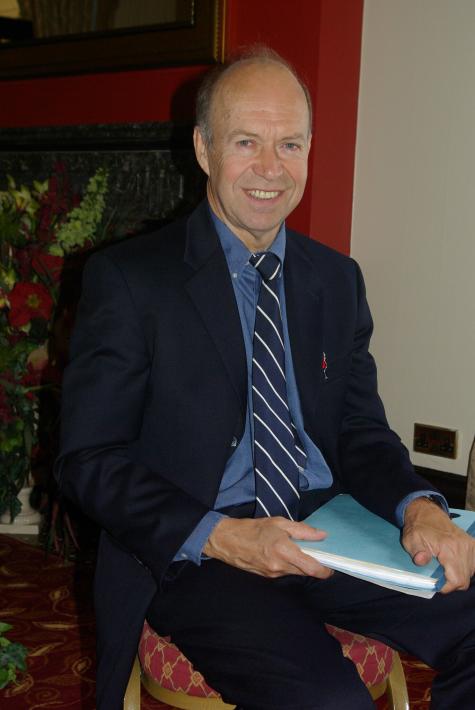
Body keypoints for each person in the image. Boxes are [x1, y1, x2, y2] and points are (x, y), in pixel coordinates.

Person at [56, 47, 475, 710]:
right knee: (327, 699)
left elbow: (360, 431)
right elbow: (88, 459)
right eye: (246, 142)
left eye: (290, 144)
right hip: (200, 553)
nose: (270, 169)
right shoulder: (132, 280)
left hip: (331, 534)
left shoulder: (335, 280)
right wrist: (222, 536)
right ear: (202, 147)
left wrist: (420, 507)